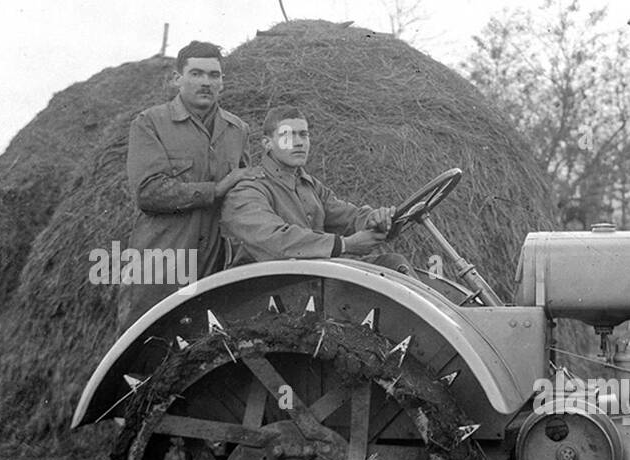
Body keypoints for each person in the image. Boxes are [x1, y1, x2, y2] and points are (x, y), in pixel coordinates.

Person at [119, 40, 250, 333]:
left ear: (223, 83)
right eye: (196, 73)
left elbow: (243, 193)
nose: (206, 82)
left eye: (214, 75)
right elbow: (148, 192)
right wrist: (214, 191)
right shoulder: (150, 123)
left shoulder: (237, 130)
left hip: (214, 264)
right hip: (161, 261)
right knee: (147, 345)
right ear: (177, 78)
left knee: (204, 351)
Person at [221, 106, 411, 272]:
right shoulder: (247, 190)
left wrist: (375, 219)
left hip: (311, 278)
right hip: (265, 290)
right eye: (287, 135)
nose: (298, 142)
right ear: (267, 144)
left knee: (393, 265)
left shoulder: (308, 184)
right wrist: (345, 245)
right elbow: (275, 241)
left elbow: (346, 216)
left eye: (304, 134)